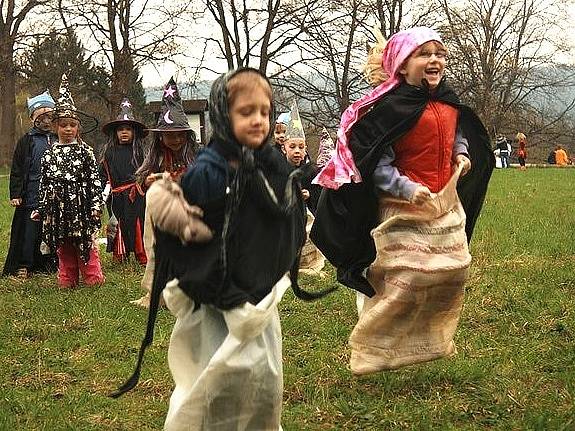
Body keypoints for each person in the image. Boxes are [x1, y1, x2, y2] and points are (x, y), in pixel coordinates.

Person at [111, 68, 333, 429]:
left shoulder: (272, 163)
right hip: (214, 302)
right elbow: (187, 240)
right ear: (222, 115)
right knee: (213, 380)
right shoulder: (208, 171)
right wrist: (186, 225)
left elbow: (286, 217)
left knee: (262, 379)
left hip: (259, 300)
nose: (259, 120)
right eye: (246, 112)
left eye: (265, 111)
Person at [311, 27, 494, 374]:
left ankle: (433, 340)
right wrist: (407, 188)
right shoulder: (389, 110)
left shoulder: (448, 102)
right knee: (403, 275)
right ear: (402, 65)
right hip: (402, 207)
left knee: (454, 268)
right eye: (424, 54)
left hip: (443, 202)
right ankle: (374, 347)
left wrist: (462, 154)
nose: (435, 60)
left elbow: (457, 136)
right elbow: (376, 163)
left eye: (440, 53)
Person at [131, 77, 199, 308]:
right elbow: (141, 181)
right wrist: (150, 181)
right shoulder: (155, 158)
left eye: (181, 134)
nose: (176, 139)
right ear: (160, 136)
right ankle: (158, 293)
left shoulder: (197, 157)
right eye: (171, 135)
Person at [33, 74, 104, 288]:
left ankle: (93, 278)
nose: (68, 129)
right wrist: (42, 208)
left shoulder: (86, 152)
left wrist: (96, 205)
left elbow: (94, 180)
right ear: (56, 127)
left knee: (85, 243)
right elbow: (44, 183)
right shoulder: (49, 154)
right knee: (63, 245)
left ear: (78, 127)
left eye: (72, 125)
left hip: (81, 207)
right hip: (58, 208)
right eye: (63, 125)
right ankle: (67, 279)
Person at [3, 90, 58, 279]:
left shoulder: (58, 140)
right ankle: (24, 264)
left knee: (50, 230)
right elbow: (17, 169)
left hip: (54, 195)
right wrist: (16, 194)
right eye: (41, 117)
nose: (46, 121)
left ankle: (48, 264)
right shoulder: (26, 141)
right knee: (29, 232)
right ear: (33, 118)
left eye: (49, 117)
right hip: (31, 195)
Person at [99, 98, 148, 264]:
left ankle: (142, 254)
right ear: (116, 133)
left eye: (128, 129)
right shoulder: (109, 154)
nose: (124, 132)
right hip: (116, 196)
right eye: (120, 129)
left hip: (137, 195)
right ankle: (120, 254)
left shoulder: (140, 153)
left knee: (137, 223)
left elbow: (147, 173)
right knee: (119, 223)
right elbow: (103, 176)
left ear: (134, 132)